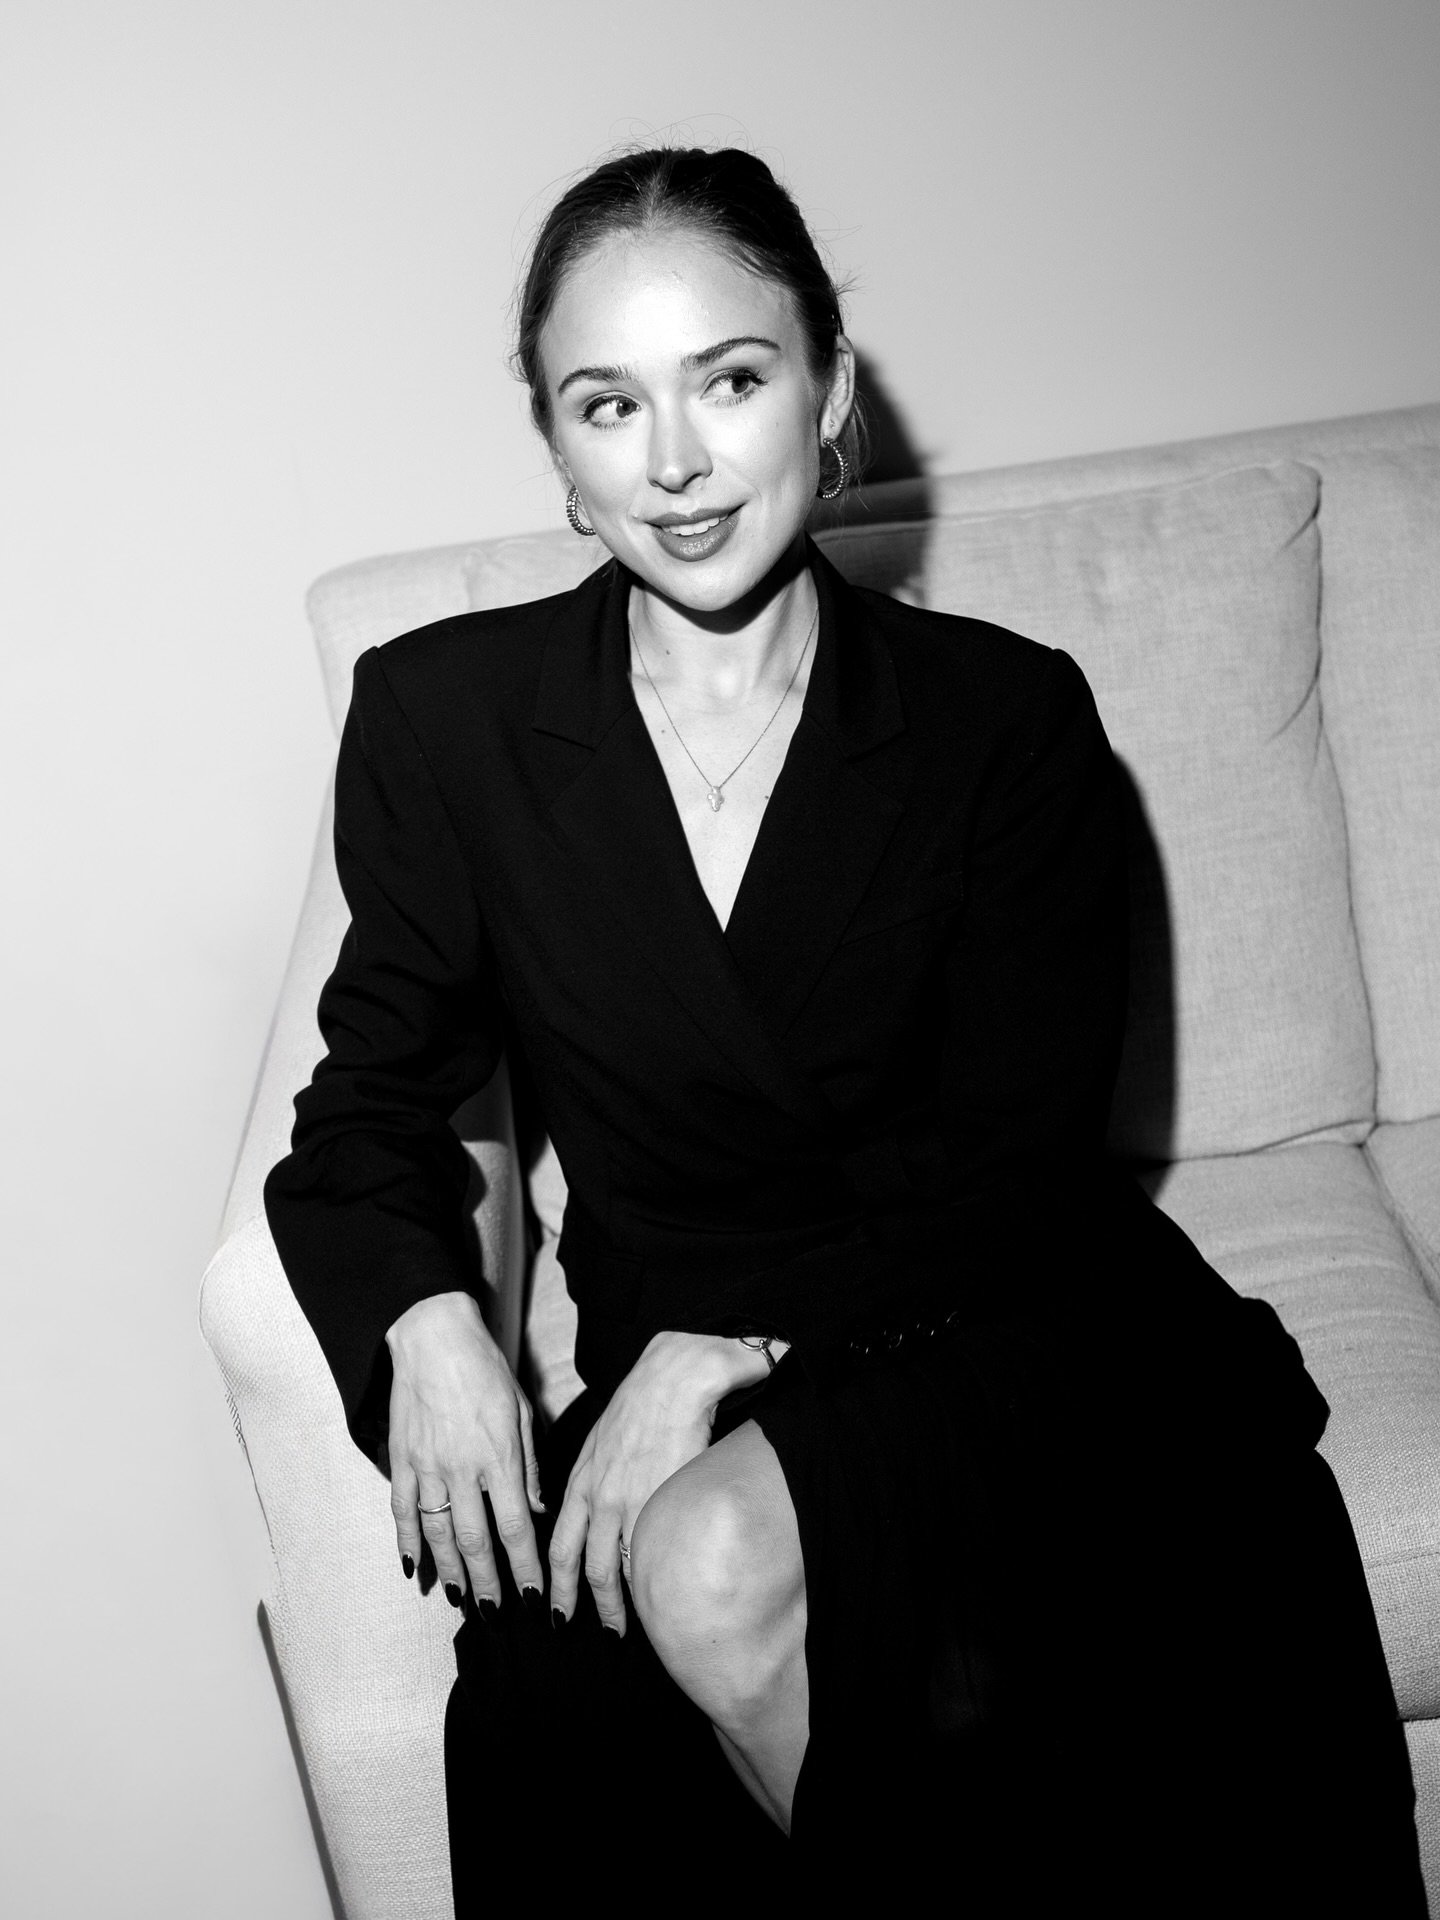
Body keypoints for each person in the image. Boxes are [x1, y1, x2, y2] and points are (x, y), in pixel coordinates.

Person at [264, 147, 1426, 1914]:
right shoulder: (447, 720)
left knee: (712, 1561)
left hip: (987, 1310)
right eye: (608, 405)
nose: (673, 461)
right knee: (565, 1705)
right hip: (685, 1341)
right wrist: (427, 1326)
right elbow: (366, 1110)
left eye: (730, 380)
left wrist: (716, 1348)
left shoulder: (1003, 718)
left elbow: (1023, 1167)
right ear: (559, 454)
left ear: (829, 398)